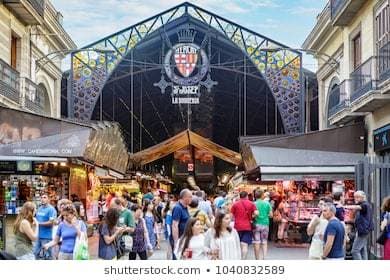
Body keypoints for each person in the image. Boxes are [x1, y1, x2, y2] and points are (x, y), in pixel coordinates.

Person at [345, 191, 373, 260]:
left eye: (357, 197)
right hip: (362, 230)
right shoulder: (363, 205)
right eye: (355, 197)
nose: (355, 199)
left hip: (363, 231)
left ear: (363, 197)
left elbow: (357, 207)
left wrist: (345, 206)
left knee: (355, 251)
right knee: (363, 249)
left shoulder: (365, 205)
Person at [230, 191, 258, 259]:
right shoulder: (251, 204)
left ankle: (238, 257)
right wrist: (253, 216)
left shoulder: (235, 204)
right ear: (247, 196)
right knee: (244, 244)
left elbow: (231, 216)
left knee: (238, 243)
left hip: (237, 226)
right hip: (248, 226)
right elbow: (256, 213)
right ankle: (243, 259)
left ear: (240, 196)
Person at [34, 193, 57, 260]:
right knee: (36, 253)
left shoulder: (51, 209)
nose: (42, 199)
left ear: (48, 199)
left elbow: (51, 223)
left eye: (45, 197)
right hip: (38, 236)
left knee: (48, 256)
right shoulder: (39, 209)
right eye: (41, 197)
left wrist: (38, 223)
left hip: (47, 237)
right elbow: (36, 220)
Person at [171, 188, 192, 258]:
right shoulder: (178, 208)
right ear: (185, 197)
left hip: (185, 238)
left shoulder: (185, 207)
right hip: (180, 238)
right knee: (178, 257)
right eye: (190, 197)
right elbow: (174, 225)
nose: (191, 199)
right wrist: (176, 241)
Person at [253, 190, 272, 260]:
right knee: (264, 241)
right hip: (265, 223)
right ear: (262, 196)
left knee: (256, 242)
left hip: (256, 224)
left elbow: (252, 214)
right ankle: (264, 258)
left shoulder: (253, 204)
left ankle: (257, 258)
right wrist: (265, 215)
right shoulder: (267, 204)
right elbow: (271, 215)